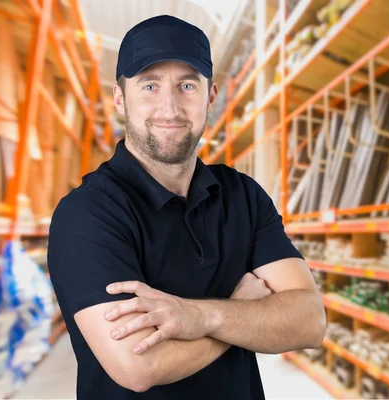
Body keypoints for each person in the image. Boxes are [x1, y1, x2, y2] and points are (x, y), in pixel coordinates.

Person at [47, 14, 326, 400]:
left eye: (187, 86)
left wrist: (203, 317)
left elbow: (310, 321)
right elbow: (138, 365)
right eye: (149, 85)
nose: (170, 108)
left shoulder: (243, 195)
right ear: (118, 97)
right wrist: (241, 309)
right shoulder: (88, 213)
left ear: (210, 96)